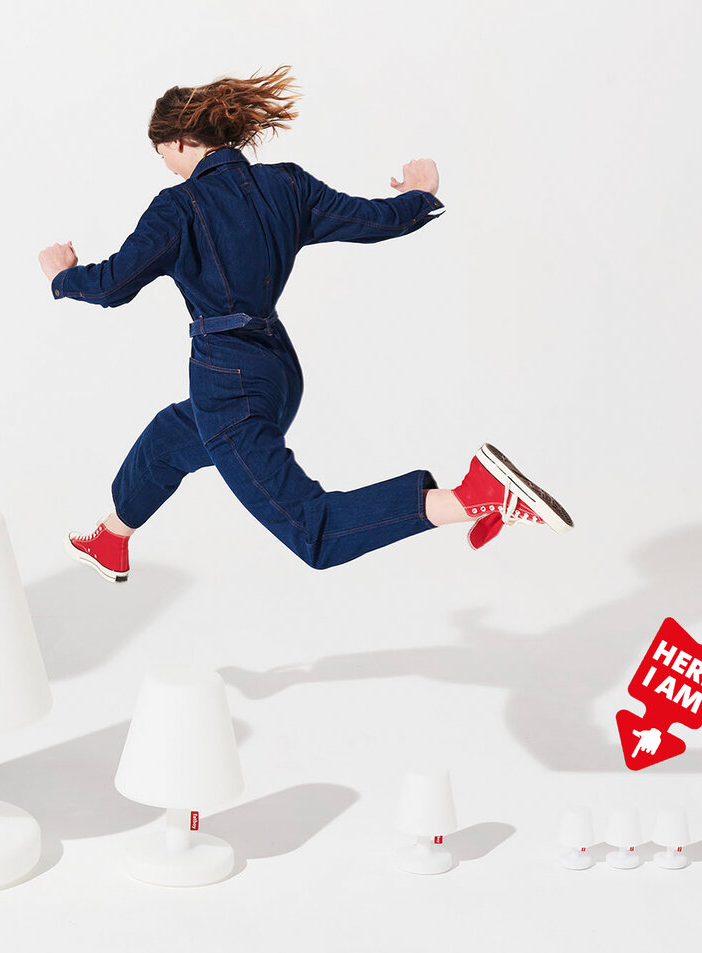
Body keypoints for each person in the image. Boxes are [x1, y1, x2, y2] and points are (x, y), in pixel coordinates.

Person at [37, 65, 572, 583]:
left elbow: (111, 286)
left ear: (179, 142)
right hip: (276, 373)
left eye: (163, 156)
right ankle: (111, 539)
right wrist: (421, 195)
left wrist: (62, 276)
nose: (168, 169)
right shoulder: (286, 185)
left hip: (227, 381)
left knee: (314, 533)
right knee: (169, 438)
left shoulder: (178, 207)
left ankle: (471, 496)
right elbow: (374, 220)